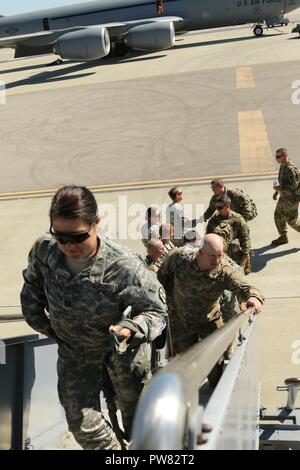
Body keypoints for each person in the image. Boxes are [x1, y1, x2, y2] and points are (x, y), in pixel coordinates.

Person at [20, 185, 167, 450]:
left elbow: (157, 312)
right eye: (60, 236)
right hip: (76, 353)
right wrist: (41, 323)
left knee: (138, 423)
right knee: (80, 422)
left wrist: (131, 327)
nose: (67, 246)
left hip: (122, 354)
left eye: (77, 237)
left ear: (96, 223)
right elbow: (31, 285)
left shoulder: (123, 265)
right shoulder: (45, 250)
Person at [157, 234, 263, 386]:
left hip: (209, 320)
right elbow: (160, 277)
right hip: (180, 322)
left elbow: (244, 286)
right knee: (183, 365)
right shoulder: (178, 258)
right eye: (213, 256)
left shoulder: (223, 270)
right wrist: (166, 302)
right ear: (200, 252)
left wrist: (254, 297)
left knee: (214, 365)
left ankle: (216, 392)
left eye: (220, 255)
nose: (217, 260)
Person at [206, 195, 252, 275]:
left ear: (227, 206)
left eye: (220, 207)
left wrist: (243, 259)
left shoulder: (238, 220)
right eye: (216, 207)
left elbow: (246, 239)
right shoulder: (214, 220)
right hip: (218, 255)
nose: (217, 210)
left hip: (233, 255)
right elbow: (208, 237)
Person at [272, 148, 300, 245]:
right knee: (278, 216)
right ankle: (283, 236)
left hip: (291, 200)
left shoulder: (290, 169)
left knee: (292, 221)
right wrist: (276, 192)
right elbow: (282, 182)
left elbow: (293, 187)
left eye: (278, 157)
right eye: (276, 157)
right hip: (284, 197)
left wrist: (279, 188)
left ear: (285, 156)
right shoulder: (283, 166)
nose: (276, 159)